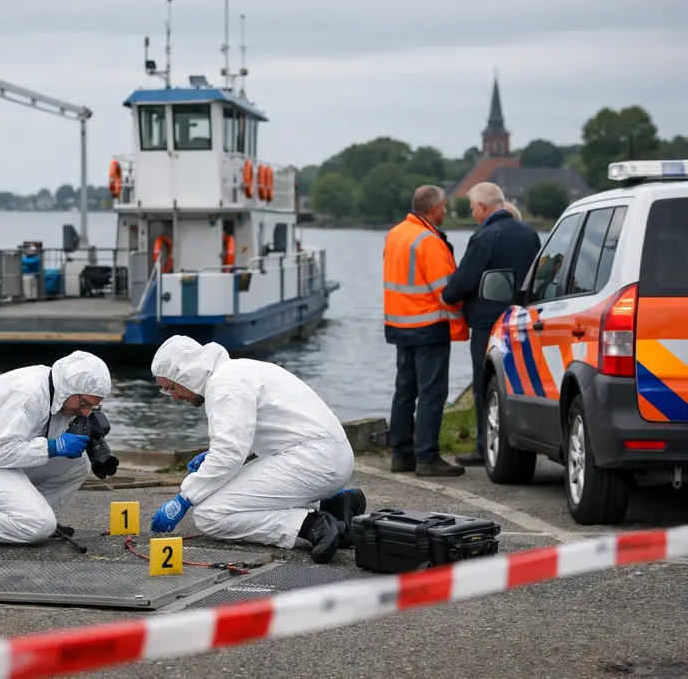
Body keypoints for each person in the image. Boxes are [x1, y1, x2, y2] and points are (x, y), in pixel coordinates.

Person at [148, 336, 367, 564]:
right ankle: (335, 506)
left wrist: (184, 498)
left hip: (313, 461)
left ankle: (311, 525)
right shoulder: (240, 370)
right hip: (324, 456)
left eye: (170, 387)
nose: (173, 397)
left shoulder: (225, 386)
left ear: (186, 373)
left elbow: (229, 454)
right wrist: (210, 458)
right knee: (225, 490)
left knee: (209, 514)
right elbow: (256, 435)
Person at [0, 351, 112, 546]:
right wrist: (56, 446)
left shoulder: (59, 392)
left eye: (93, 407)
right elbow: (0, 452)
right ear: (69, 388)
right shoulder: (27, 393)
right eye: (83, 404)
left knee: (79, 463)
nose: (85, 411)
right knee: (38, 526)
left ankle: (35, 518)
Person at [441, 182, 541, 466]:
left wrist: (447, 295)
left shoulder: (486, 235)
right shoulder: (529, 234)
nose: (472, 213)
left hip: (489, 324)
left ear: (483, 207)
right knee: (520, 382)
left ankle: (486, 448)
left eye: (473, 208)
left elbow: (466, 278)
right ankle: (520, 443)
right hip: (524, 320)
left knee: (486, 386)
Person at [383, 185, 469, 477]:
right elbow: (447, 292)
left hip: (398, 325)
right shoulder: (430, 241)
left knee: (404, 392)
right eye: (444, 207)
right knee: (431, 394)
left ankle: (401, 454)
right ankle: (427, 457)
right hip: (428, 327)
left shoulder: (395, 234)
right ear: (434, 209)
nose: (445, 211)